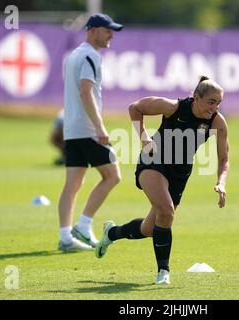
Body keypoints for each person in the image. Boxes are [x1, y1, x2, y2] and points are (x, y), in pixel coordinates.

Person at [94, 76, 230, 284]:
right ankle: (163, 272)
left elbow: (223, 158)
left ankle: (111, 232)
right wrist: (143, 137)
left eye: (219, 103)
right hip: (154, 160)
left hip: (180, 173)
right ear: (196, 98)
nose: (215, 107)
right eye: (211, 102)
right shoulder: (173, 107)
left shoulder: (217, 122)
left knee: (151, 228)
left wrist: (221, 182)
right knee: (167, 212)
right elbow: (135, 108)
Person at [57, 13, 123, 252]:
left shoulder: (74, 55)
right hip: (87, 129)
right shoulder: (90, 55)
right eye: (107, 30)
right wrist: (99, 127)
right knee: (113, 176)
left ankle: (65, 237)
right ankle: (83, 225)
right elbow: (86, 93)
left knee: (72, 184)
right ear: (93, 30)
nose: (111, 36)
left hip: (72, 129)